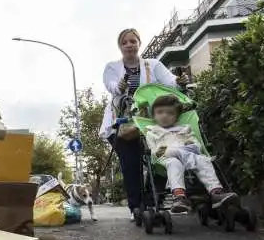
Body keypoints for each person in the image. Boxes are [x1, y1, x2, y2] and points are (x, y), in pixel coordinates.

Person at [99, 28, 183, 220]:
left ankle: (153, 201)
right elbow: (111, 86)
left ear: (139, 43)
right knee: (131, 162)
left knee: (163, 156)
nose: (129, 45)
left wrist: (179, 80)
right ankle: (136, 207)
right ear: (120, 46)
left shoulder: (152, 65)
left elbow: (170, 82)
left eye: (133, 41)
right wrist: (119, 86)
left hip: (151, 121)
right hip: (123, 123)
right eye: (125, 42)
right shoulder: (112, 67)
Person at [145, 94, 238, 213]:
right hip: (167, 158)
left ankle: (216, 192)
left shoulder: (185, 129)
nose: (164, 115)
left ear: (177, 117)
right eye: (160, 112)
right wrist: (166, 151)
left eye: (170, 113)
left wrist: (190, 143)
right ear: (153, 115)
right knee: (174, 163)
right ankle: (179, 196)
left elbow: (197, 146)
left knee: (203, 160)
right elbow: (154, 152)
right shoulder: (152, 132)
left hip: (189, 155)